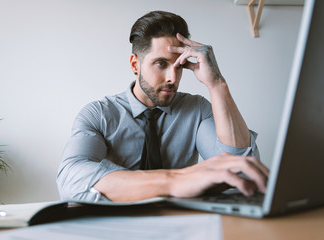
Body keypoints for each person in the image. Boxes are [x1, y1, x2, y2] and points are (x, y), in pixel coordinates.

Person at [57, 10, 269, 202]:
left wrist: (217, 84)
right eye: (161, 64)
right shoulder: (99, 114)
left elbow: (241, 171)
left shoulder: (196, 109)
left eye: (179, 66)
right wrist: (174, 181)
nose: (173, 78)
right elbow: (71, 180)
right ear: (135, 64)